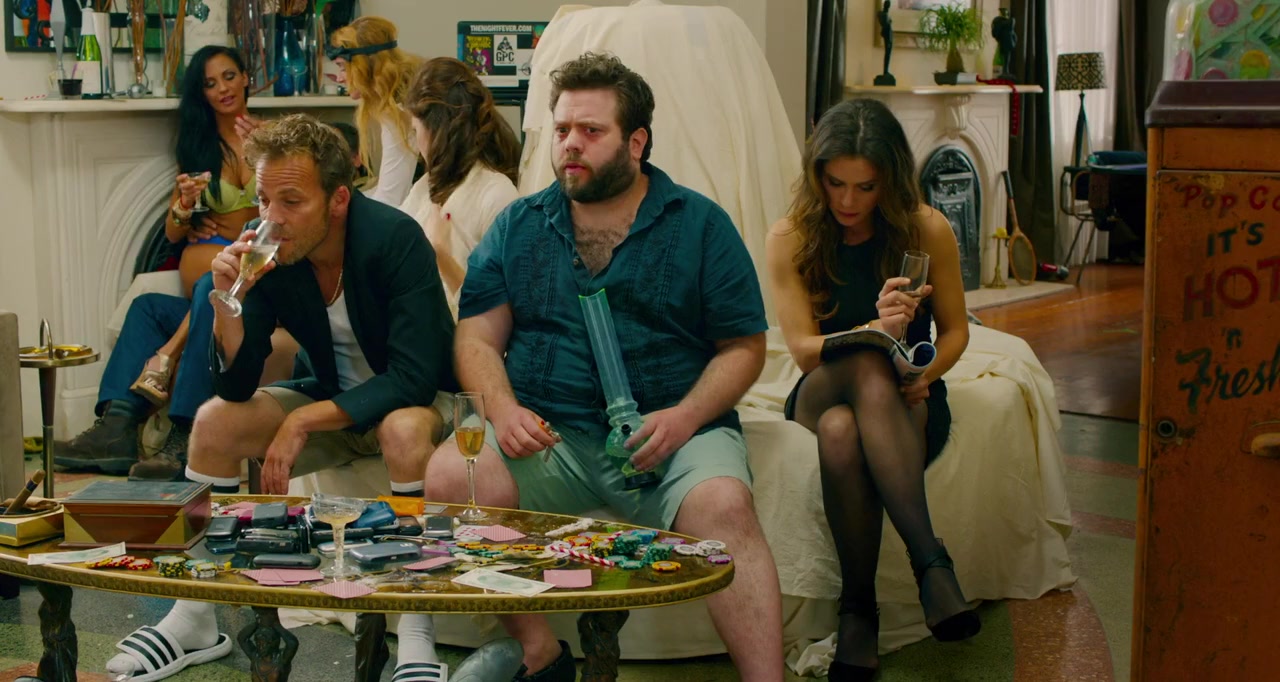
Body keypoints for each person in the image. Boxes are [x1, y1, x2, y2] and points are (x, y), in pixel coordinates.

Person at [424, 52, 785, 682]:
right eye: (563, 129)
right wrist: (502, 409)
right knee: (454, 472)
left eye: (591, 131)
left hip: (674, 434)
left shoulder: (701, 224)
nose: (571, 144)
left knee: (725, 506)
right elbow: (476, 335)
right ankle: (540, 651)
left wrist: (686, 417)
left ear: (635, 142)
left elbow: (744, 347)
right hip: (552, 436)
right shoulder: (518, 226)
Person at [104, 114, 464, 681]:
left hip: (415, 403)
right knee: (215, 422)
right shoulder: (270, 247)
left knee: (401, 428)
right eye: (263, 198)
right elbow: (235, 387)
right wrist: (227, 303)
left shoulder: (394, 239)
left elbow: (413, 377)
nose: (271, 216)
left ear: (338, 199)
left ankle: (418, 636)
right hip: (333, 396)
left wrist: (302, 423)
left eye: (291, 201)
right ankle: (194, 616)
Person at [764, 98, 980, 681]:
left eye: (866, 187)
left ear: (891, 179)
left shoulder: (925, 228)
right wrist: (874, 329)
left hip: (907, 394)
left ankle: (857, 612)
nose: (848, 201)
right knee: (862, 364)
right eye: (835, 183)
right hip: (822, 387)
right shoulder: (791, 236)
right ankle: (930, 561)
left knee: (844, 430)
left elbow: (956, 331)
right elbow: (803, 350)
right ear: (817, 175)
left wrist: (925, 375)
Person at [54, 46, 266, 478]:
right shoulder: (199, 147)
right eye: (210, 83)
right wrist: (186, 206)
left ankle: (184, 437)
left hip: (253, 289)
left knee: (211, 289)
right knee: (147, 307)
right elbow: (172, 232)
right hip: (211, 282)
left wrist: (266, 148)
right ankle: (115, 428)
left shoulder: (272, 138)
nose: (222, 89)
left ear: (246, 77)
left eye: (229, 76)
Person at [389, 54, 523, 674]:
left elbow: (509, 309)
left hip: (465, 358)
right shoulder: (422, 189)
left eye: (415, 126)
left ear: (436, 126)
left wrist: (441, 255)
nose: (410, 138)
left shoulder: (498, 194)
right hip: (417, 344)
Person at [328, 16, 421, 207]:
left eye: (342, 67)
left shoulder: (397, 113)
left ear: (363, 66)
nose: (339, 78)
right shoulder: (401, 99)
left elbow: (391, 200)